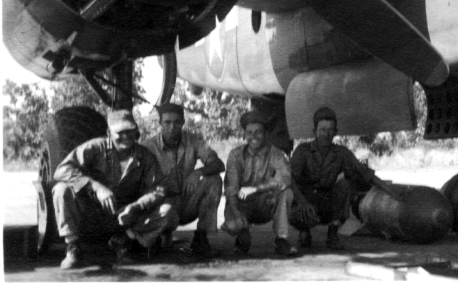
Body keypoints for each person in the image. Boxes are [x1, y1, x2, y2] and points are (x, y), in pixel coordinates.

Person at [52, 110, 172, 269]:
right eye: (120, 132)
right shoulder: (95, 147)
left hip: (123, 216)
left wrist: (136, 207)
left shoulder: (145, 156)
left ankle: (123, 241)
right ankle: (73, 248)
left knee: (167, 211)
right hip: (91, 213)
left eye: (130, 131)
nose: (126, 136)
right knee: (61, 189)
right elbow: (61, 170)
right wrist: (94, 186)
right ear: (109, 133)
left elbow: (159, 189)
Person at [289, 106, 396, 251]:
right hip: (304, 202)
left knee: (346, 185)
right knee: (292, 205)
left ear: (336, 132)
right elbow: (290, 179)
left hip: (327, 203)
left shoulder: (342, 153)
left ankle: (332, 235)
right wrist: (302, 202)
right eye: (322, 130)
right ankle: (304, 232)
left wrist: (390, 191)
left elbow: (364, 173)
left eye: (330, 130)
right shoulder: (302, 151)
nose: (326, 134)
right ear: (314, 132)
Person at [142, 103, 224, 258]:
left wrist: (198, 172)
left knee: (214, 180)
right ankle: (156, 236)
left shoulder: (193, 141)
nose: (172, 127)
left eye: (177, 122)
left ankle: (201, 240)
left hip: (188, 203)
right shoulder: (148, 146)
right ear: (159, 123)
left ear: (183, 122)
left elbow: (218, 164)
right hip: (163, 205)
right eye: (167, 122)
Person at [221, 111, 299, 258]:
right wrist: (237, 215)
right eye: (249, 132)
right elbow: (231, 188)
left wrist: (256, 188)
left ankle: (281, 240)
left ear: (266, 134)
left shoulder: (276, 154)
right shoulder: (235, 155)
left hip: (265, 204)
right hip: (242, 205)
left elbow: (285, 179)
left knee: (286, 193)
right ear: (245, 135)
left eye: (258, 132)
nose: (253, 137)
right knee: (232, 225)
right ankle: (242, 237)